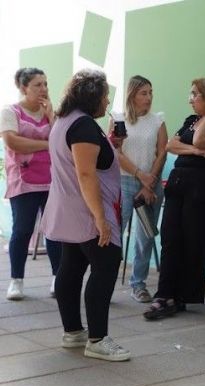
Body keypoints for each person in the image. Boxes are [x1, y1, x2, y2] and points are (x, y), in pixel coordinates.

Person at [40, 69, 130, 362]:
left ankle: (74, 333)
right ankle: (97, 339)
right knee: (105, 266)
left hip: (69, 209)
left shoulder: (66, 121)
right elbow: (86, 174)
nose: (107, 102)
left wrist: (111, 145)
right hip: (87, 211)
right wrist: (101, 219)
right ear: (92, 97)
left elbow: (84, 161)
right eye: (105, 96)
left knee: (71, 265)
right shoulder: (83, 126)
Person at [143, 78, 205, 320]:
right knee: (170, 238)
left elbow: (198, 139)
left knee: (193, 240)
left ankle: (182, 296)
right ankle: (164, 294)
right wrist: (195, 151)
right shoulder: (190, 120)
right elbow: (171, 145)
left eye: (195, 94)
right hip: (180, 184)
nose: (190, 99)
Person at [0, 67, 61, 300]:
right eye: (38, 85)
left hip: (51, 180)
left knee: (54, 230)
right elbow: (13, 142)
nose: (43, 89)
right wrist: (46, 145)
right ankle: (16, 280)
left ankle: (57, 278)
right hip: (23, 180)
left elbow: (61, 140)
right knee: (22, 229)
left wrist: (52, 115)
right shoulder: (10, 112)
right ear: (24, 88)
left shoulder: (50, 112)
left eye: (45, 84)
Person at [111, 75, 168, 303]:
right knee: (115, 233)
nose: (149, 97)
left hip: (151, 185)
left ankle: (139, 284)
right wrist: (139, 175)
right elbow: (116, 152)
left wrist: (149, 180)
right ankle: (105, 282)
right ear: (132, 95)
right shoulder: (118, 119)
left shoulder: (158, 121)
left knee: (145, 236)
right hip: (125, 182)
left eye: (150, 92)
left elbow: (162, 152)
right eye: (143, 93)